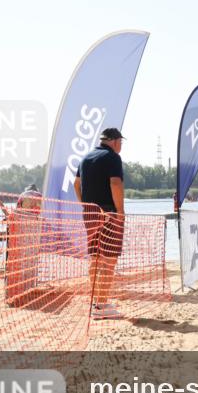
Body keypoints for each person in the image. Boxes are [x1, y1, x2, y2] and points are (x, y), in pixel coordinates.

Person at [74, 127, 126, 320]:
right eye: (120, 142)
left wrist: (85, 205)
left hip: (90, 213)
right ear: (114, 141)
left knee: (95, 258)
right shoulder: (112, 157)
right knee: (109, 259)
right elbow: (115, 183)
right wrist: (120, 211)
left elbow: (76, 185)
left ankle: (96, 301)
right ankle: (102, 305)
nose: (121, 146)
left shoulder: (86, 158)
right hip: (108, 213)